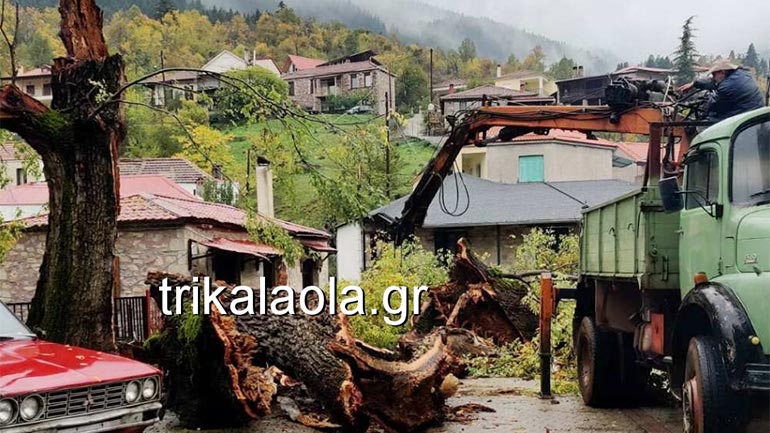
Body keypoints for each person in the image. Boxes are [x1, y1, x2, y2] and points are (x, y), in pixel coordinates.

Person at [677, 60, 765, 121]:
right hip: (753, 114)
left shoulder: (727, 86)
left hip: (743, 117)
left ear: (722, 72)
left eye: (713, 74)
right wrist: (695, 84)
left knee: (705, 122)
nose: (713, 77)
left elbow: (713, 106)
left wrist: (706, 97)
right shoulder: (742, 74)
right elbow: (715, 82)